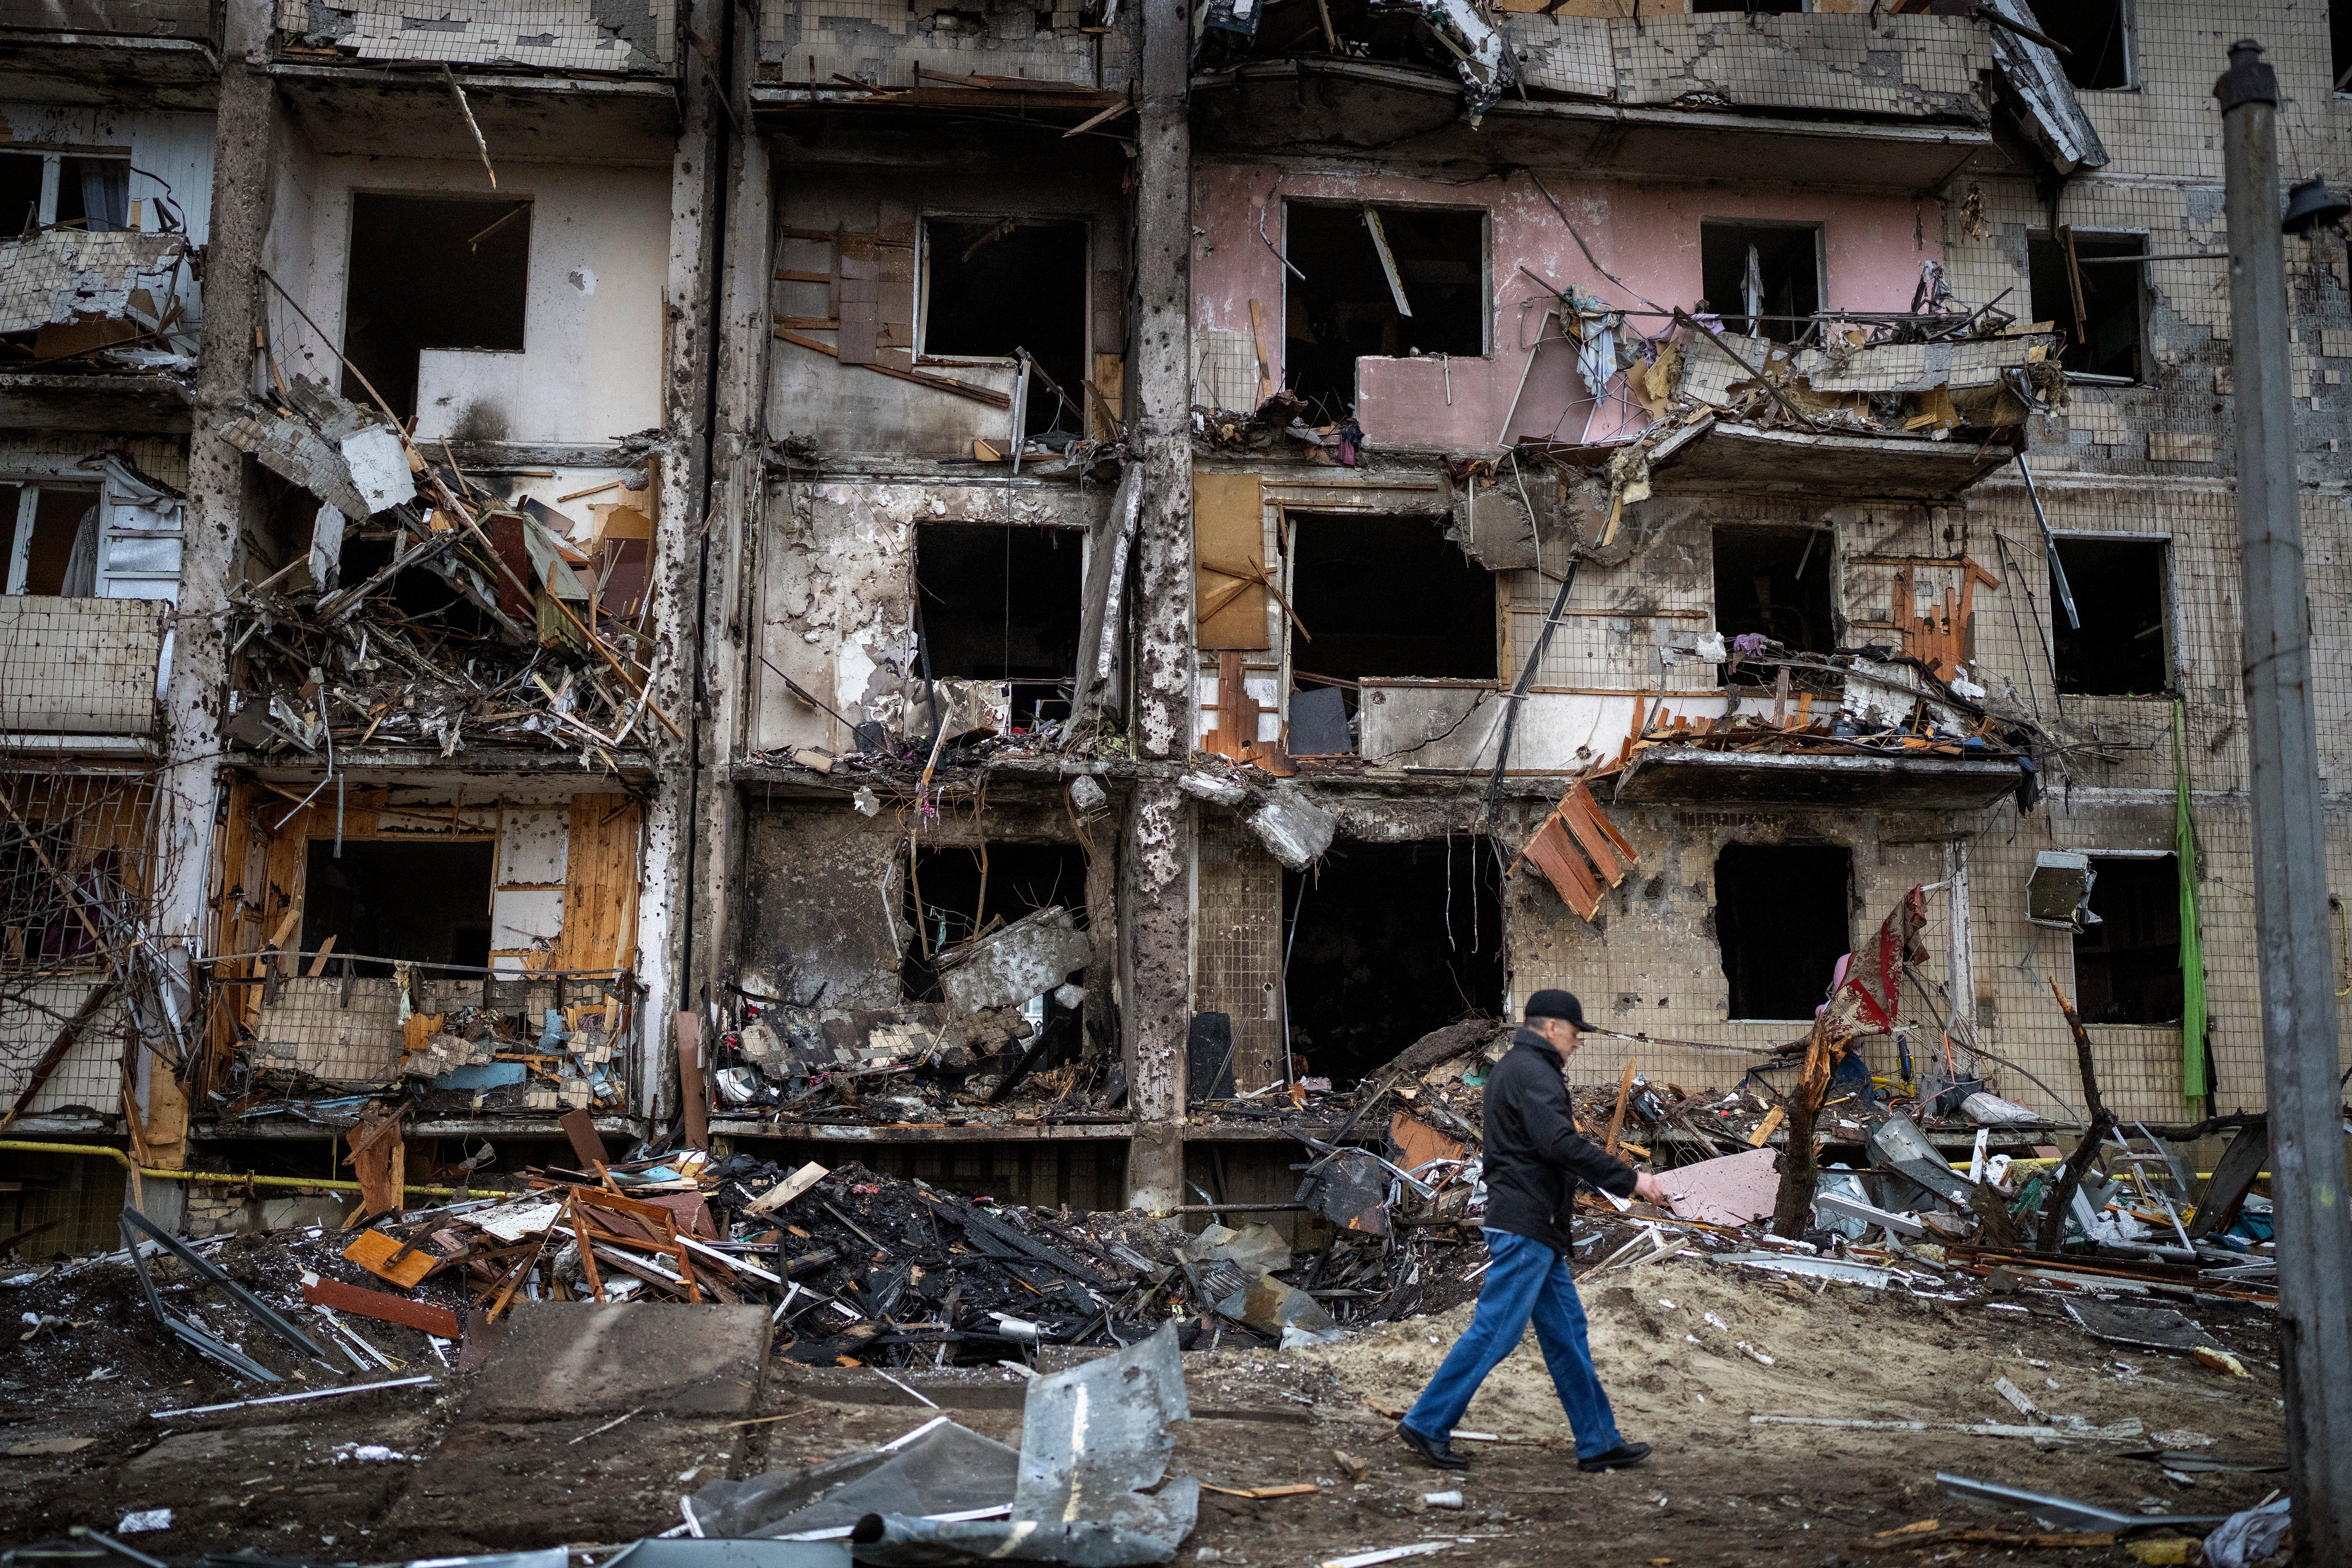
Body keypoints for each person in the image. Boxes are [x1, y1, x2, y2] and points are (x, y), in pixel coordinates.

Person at [1396, 989, 1669, 1474]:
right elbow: (1558, 1143)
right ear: (1550, 1028)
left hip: (1533, 1226)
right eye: (1574, 1033)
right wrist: (1632, 1179)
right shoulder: (1533, 1073)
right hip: (1525, 1225)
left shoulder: (1515, 1070)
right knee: (1497, 1332)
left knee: (1566, 1335)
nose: (1577, 1043)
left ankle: (1598, 1441)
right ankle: (1426, 1421)